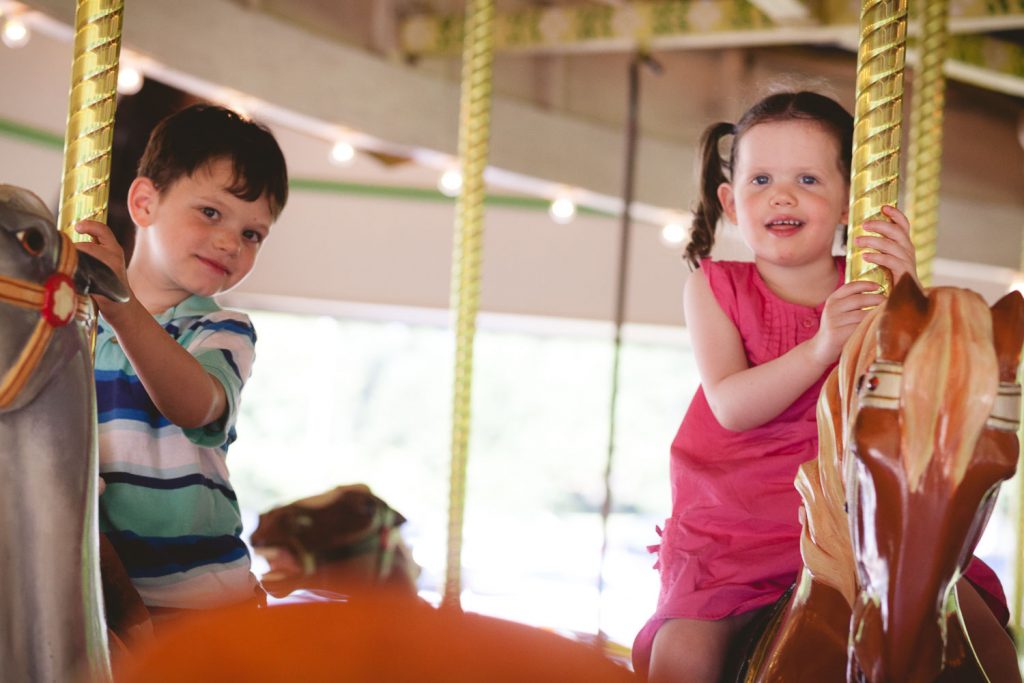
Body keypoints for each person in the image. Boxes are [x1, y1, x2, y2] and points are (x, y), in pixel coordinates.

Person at [632, 91, 1019, 682]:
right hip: (738, 531)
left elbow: (921, 400)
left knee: (989, 646)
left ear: (847, 204)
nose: (782, 195)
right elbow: (731, 405)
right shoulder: (714, 289)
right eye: (761, 179)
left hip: (860, 517)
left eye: (808, 179)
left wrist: (905, 293)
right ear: (732, 204)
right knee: (680, 657)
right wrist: (819, 350)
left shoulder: (870, 291)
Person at [74, 104, 288, 621]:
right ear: (145, 203)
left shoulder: (221, 330)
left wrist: (120, 306)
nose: (228, 242)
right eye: (211, 213)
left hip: (196, 601)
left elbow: (195, 405)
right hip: (91, 589)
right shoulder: (75, 327)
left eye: (251, 234)